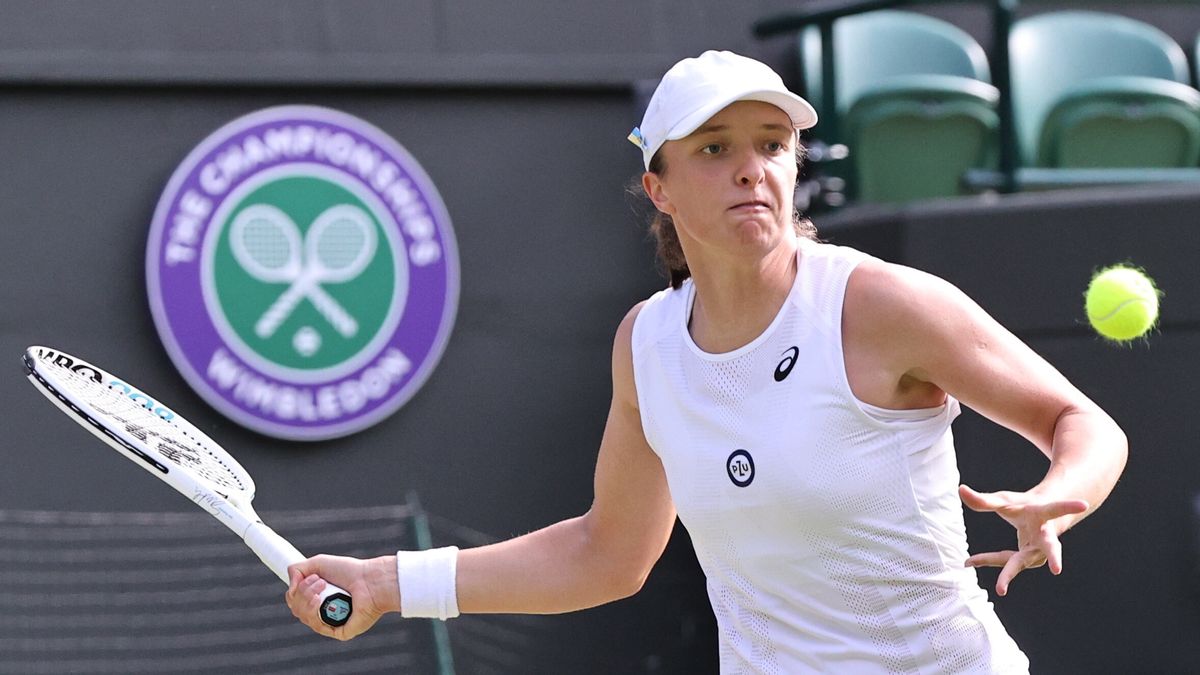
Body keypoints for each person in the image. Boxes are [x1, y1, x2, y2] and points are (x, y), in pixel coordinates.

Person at [286, 50, 1127, 673]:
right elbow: (606, 554)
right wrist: (388, 582)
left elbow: (1078, 422)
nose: (752, 170)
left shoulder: (879, 304)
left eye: (771, 145)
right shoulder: (646, 345)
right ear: (661, 189)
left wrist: (1063, 493)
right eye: (716, 149)